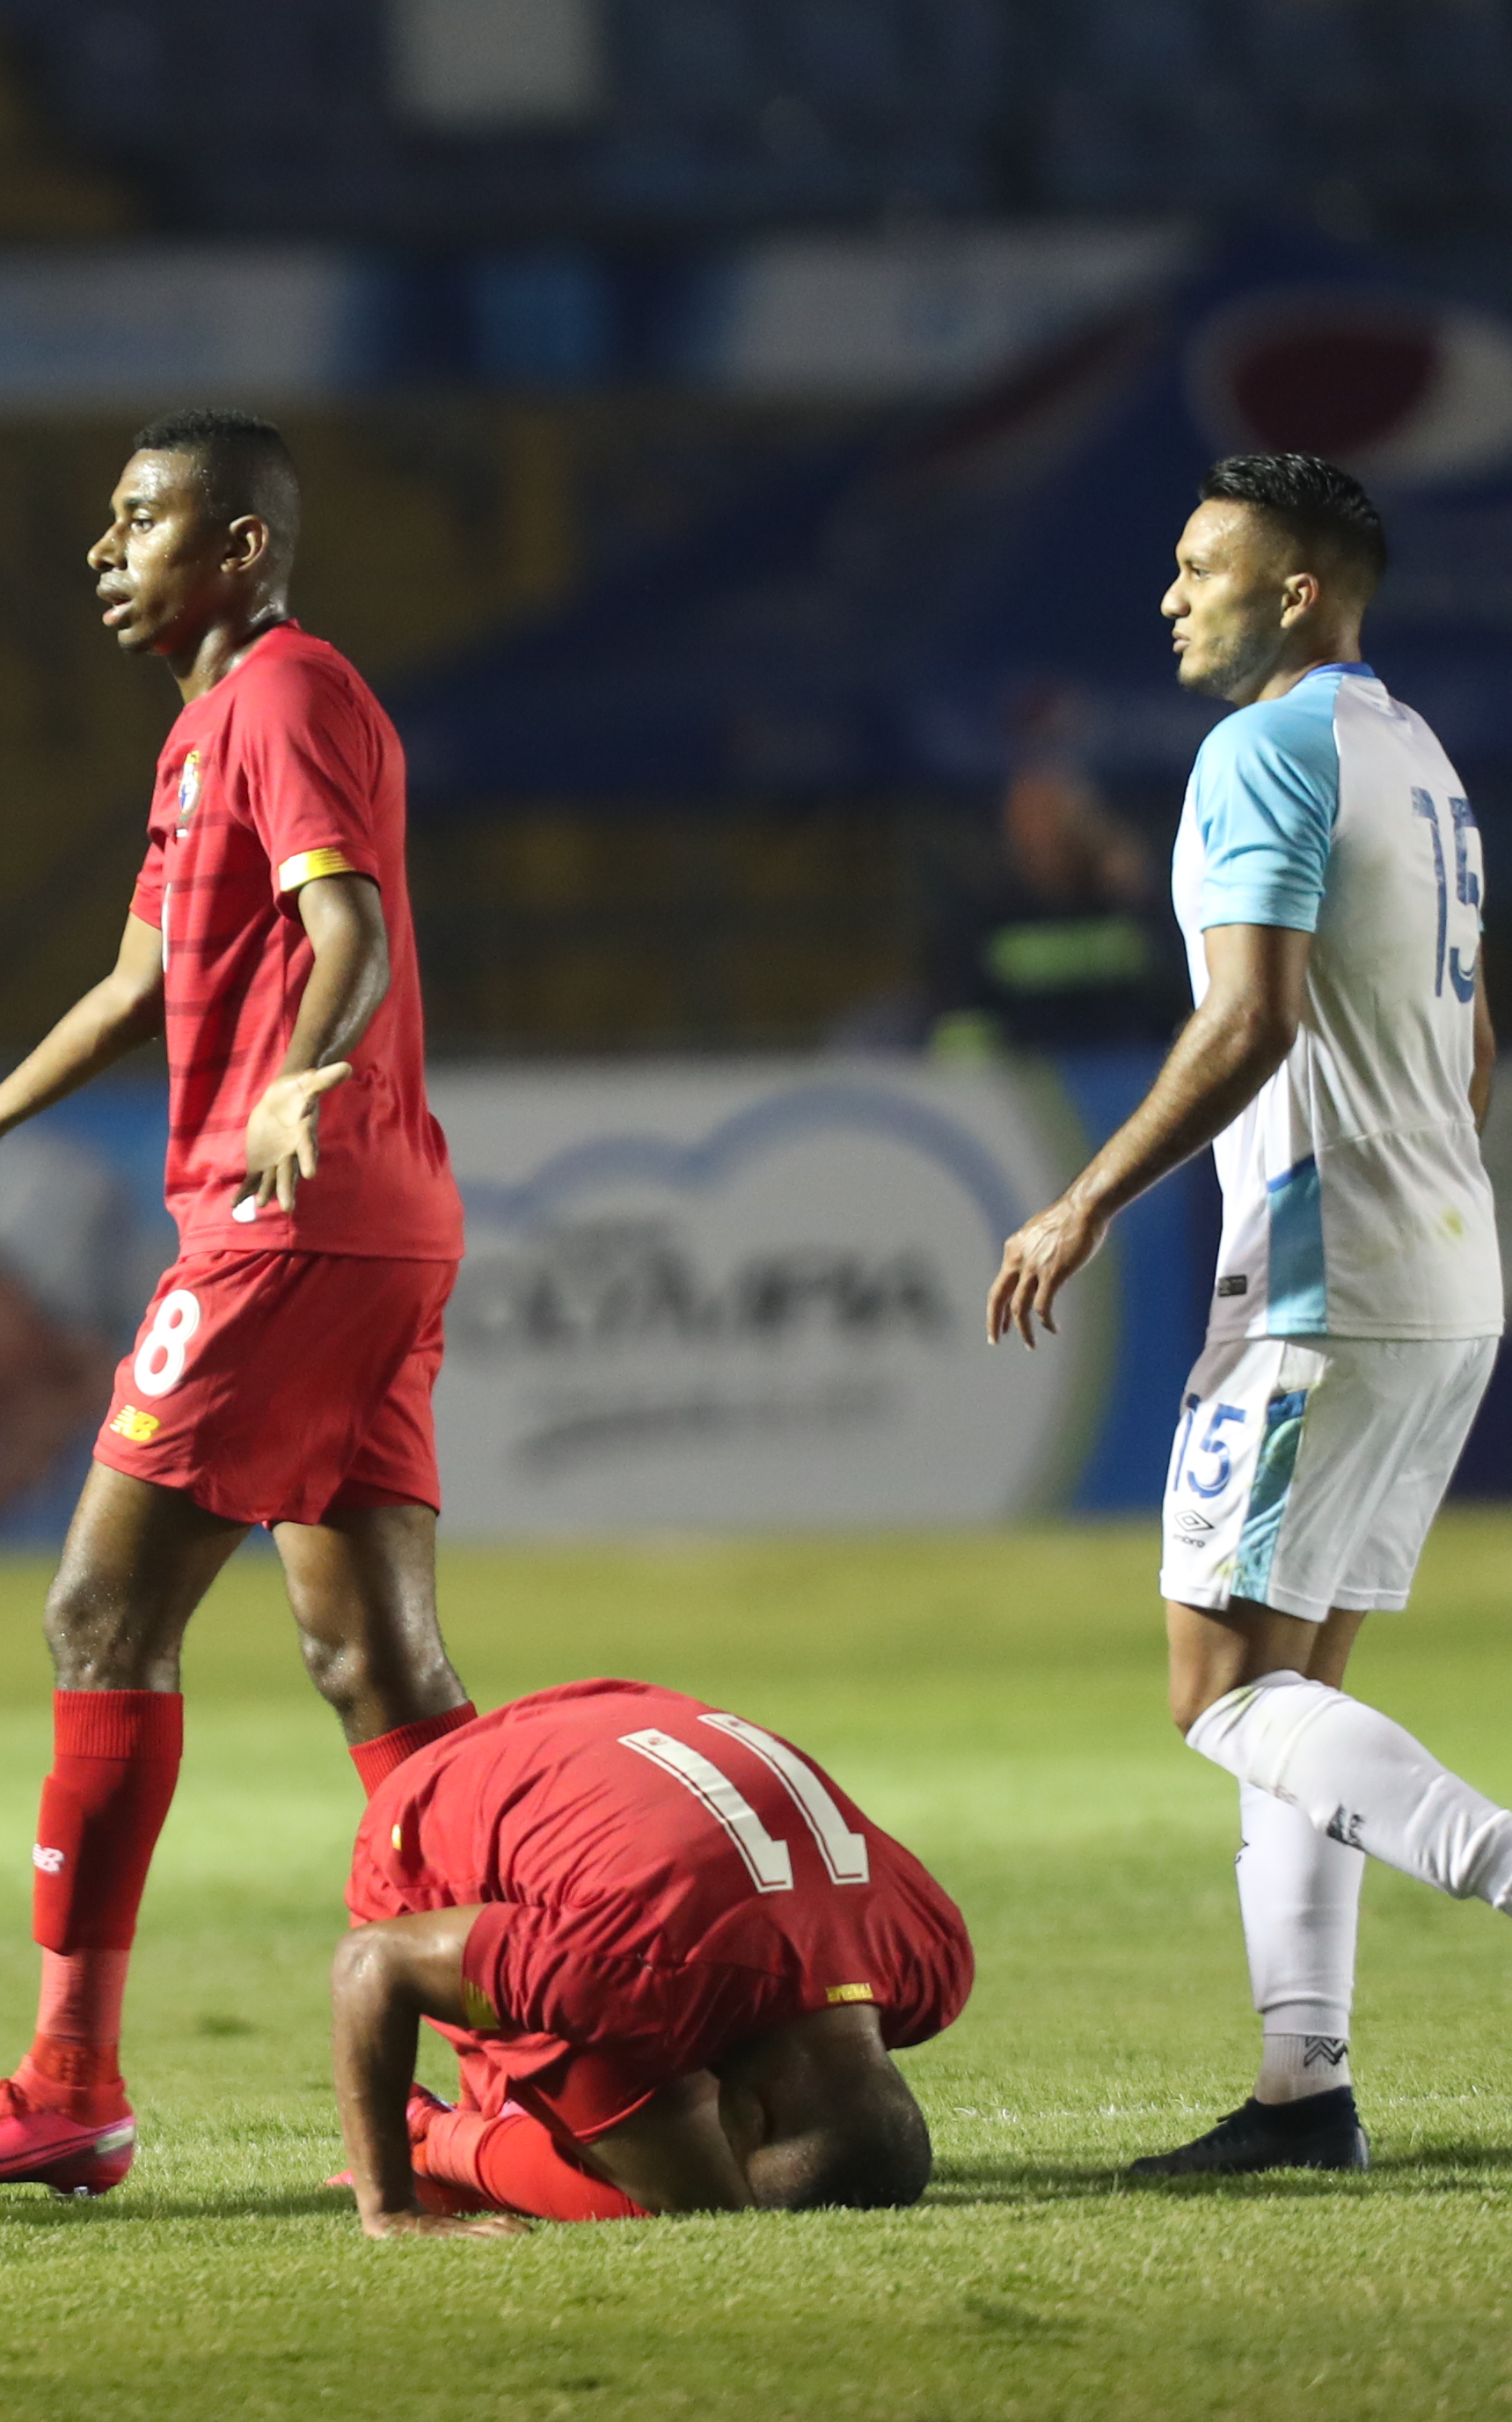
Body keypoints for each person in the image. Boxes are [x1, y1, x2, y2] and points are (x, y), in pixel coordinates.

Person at [0, 411, 473, 2196]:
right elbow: (145, 976)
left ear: (245, 546)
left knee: (99, 1618)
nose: (108, 554)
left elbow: (342, 927)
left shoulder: (285, 696)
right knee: (374, 1660)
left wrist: (300, 1076)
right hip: (369, 1223)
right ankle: (534, 2038)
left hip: (289, 1218)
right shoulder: (209, 730)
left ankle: (68, 2080)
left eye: (144, 522)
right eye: (109, 524)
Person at [983, 451, 1512, 2178]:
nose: (1170, 596)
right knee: (1299, 1695)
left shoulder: (1261, 752)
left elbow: (1250, 1019)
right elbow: (1476, 1042)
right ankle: (1307, 2093)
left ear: (1295, 590)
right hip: (1446, 1267)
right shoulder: (1421, 761)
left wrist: (1083, 1197)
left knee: (1218, 1691)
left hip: (1322, 1279)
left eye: (1201, 567)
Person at [333, 1679, 968, 2232]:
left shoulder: (937, 1960)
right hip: (431, 1815)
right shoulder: (637, 1973)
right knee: (695, 2195)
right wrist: (388, 2209)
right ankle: (430, 2135)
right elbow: (372, 1963)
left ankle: (484, 2114)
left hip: (624, 1721)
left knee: (674, 2110)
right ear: (759, 2114)